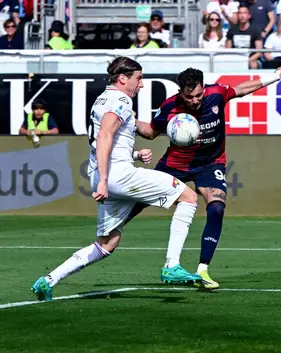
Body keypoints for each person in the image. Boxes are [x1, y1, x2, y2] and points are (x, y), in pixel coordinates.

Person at [31, 57, 201, 302]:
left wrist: (133, 154)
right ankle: (171, 265)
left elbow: (104, 141)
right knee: (188, 197)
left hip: (109, 175)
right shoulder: (120, 100)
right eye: (139, 78)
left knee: (108, 242)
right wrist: (104, 179)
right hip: (118, 176)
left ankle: (48, 281)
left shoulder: (102, 99)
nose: (141, 85)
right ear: (123, 78)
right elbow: (104, 137)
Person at [127, 64, 281, 290]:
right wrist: (130, 121)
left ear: (204, 88)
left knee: (217, 208)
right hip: (175, 164)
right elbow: (151, 132)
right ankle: (109, 232)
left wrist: (273, 77)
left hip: (210, 164)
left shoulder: (216, 94)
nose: (194, 100)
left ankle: (202, 269)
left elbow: (240, 89)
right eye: (189, 96)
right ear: (181, 92)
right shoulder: (170, 106)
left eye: (198, 94)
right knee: (139, 202)